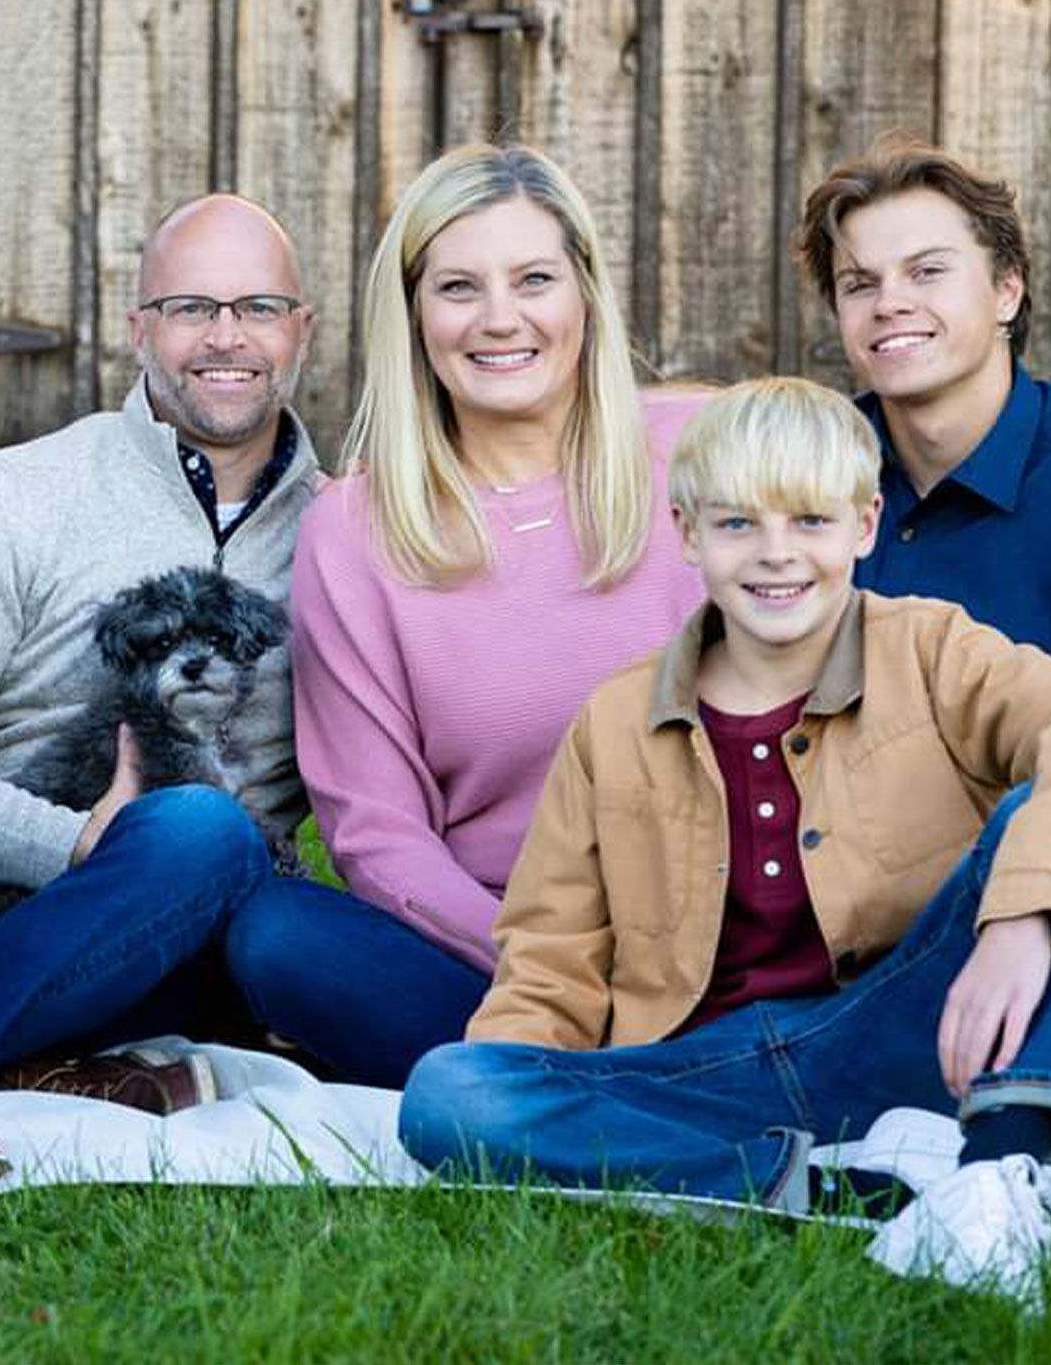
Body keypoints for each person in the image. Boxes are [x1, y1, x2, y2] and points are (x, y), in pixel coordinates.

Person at [401, 378, 1051, 1297]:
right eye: (737, 524)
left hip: (903, 1035)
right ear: (685, 532)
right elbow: (551, 955)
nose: (776, 554)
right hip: (708, 1071)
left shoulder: (930, 648)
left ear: (865, 525)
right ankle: (823, 1186)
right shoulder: (616, 720)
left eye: (810, 521)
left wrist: (1022, 919)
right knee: (449, 1090)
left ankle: (996, 1179)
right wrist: (515, 1087)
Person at [222, 144, 707, 1089]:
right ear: (411, 316)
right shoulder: (352, 530)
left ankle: (581, 1085)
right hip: (496, 952)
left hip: (717, 926)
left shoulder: (693, 452)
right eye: (457, 287)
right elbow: (374, 833)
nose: (499, 319)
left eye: (533, 280)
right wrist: (550, 969)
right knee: (277, 935)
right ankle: (609, 1078)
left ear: (584, 296)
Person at [0, 193, 322, 1106]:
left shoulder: (343, 533)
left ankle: (76, 1070)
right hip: (25, 923)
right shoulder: (20, 491)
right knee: (196, 827)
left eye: (257, 308)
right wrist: (77, 843)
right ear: (139, 329)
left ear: (301, 330)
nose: (225, 336)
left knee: (306, 935)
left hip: (224, 942)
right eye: (190, 308)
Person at [793, 141, 1051, 1114]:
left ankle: (1019, 1137)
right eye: (859, 282)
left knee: (1044, 793)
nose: (888, 302)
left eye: (925, 271)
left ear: (1004, 290)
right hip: (854, 939)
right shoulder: (807, 480)